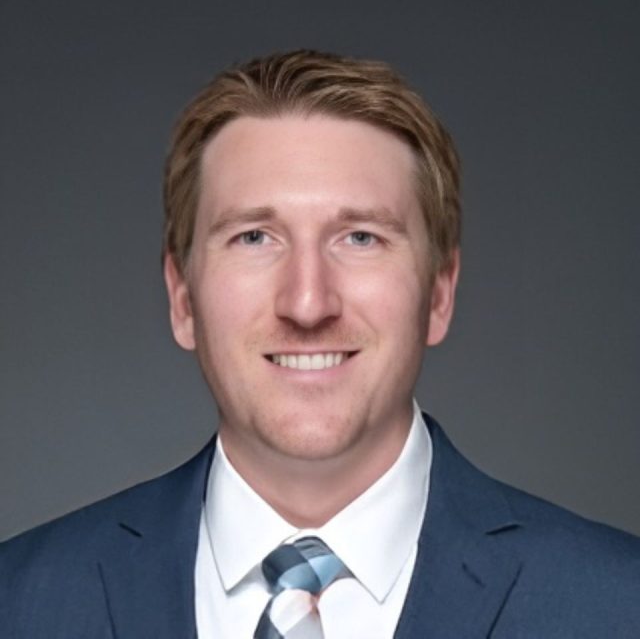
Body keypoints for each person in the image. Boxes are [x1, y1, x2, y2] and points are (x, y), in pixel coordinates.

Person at [1, 49, 639, 639]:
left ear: (439, 293)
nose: (307, 303)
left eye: (360, 237)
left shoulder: (617, 604)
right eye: (254, 237)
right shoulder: (19, 601)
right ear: (182, 298)